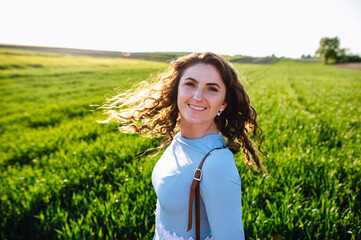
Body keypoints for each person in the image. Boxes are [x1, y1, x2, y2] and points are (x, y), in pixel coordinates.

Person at [101, 52, 267, 240]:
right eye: (190, 84)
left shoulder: (217, 165)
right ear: (176, 90)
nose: (198, 96)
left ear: (223, 104)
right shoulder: (180, 141)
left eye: (211, 89)